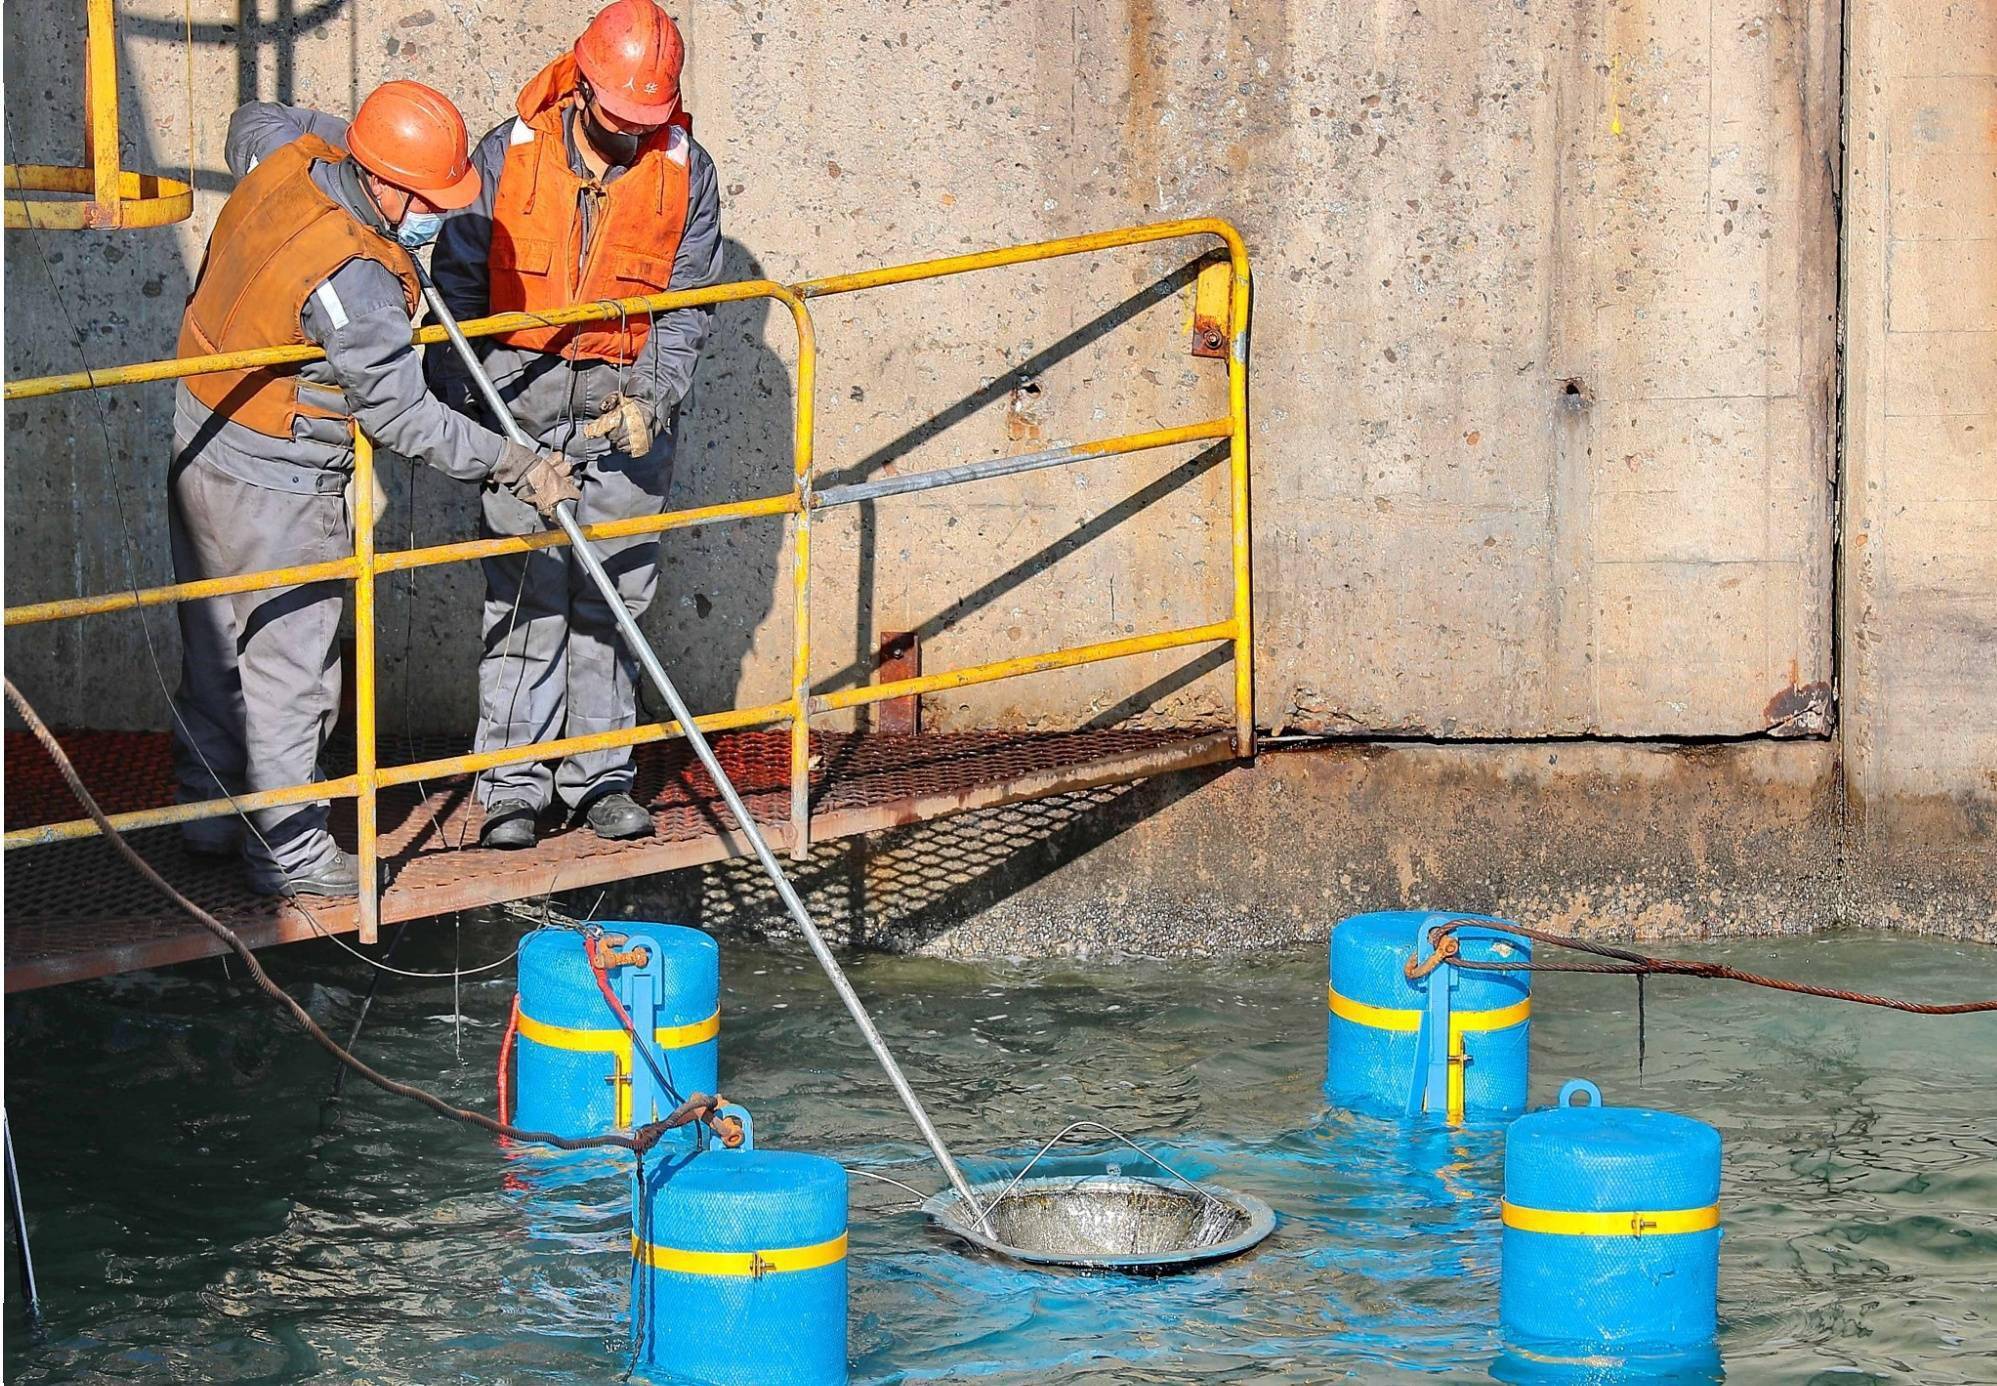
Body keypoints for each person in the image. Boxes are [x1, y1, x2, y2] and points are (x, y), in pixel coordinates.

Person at [171, 82, 579, 897]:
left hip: (198, 440)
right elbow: (406, 419)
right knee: (291, 670)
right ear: (387, 183)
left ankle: (207, 811)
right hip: (279, 482)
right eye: (428, 198)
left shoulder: (278, 158)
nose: (434, 218)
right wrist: (517, 461)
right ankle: (289, 854)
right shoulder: (354, 278)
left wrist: (354, 135)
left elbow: (253, 113)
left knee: (215, 639)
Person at [427, 0, 724, 850]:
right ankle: (514, 786)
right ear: (583, 85)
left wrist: (654, 399)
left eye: (647, 120)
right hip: (517, 401)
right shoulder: (504, 157)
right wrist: (479, 426)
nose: (632, 134)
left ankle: (598, 778)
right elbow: (455, 296)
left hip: (624, 404)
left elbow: (688, 308)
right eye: (619, 116)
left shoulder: (687, 170)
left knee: (613, 598)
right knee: (524, 596)